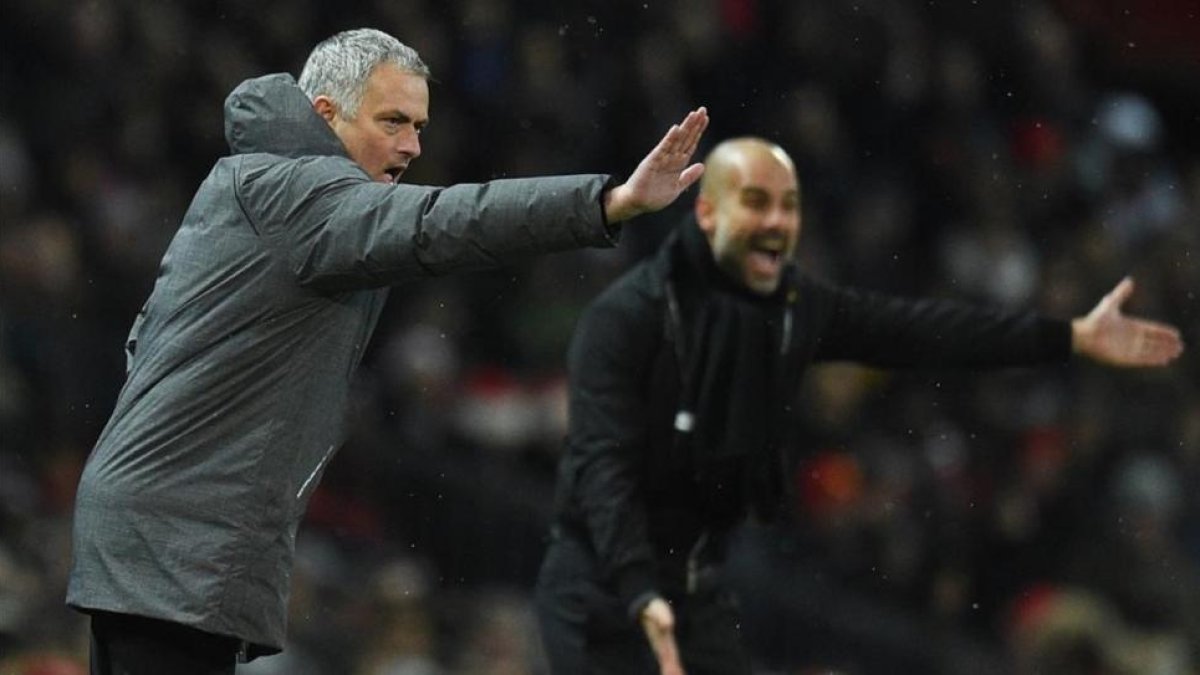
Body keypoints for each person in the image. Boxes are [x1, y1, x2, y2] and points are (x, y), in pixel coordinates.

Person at [67, 28, 709, 675]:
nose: (413, 146)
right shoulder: (302, 194)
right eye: (393, 121)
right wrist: (607, 202)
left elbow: (144, 337)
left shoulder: (249, 184)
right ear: (325, 116)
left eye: (420, 125)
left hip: (158, 526)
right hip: (182, 538)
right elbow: (444, 223)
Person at [533, 136, 1184, 675]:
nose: (777, 223)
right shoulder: (627, 320)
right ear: (708, 215)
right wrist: (641, 589)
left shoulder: (793, 306)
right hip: (603, 588)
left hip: (697, 586)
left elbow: (923, 331)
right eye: (756, 203)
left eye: (788, 207)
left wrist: (1068, 335)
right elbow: (601, 470)